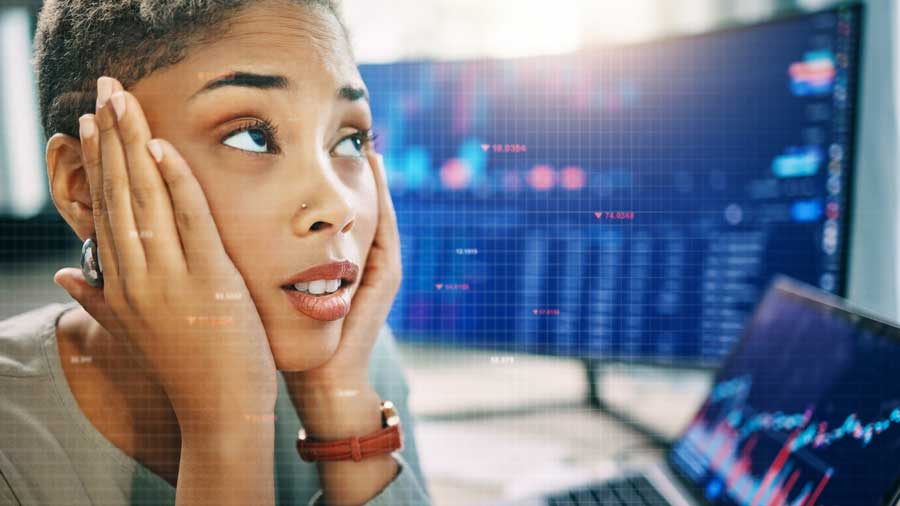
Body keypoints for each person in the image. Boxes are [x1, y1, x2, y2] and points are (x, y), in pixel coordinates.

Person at [0, 0, 431, 504]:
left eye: (351, 141)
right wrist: (226, 425)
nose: (338, 205)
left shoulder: (357, 357)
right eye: (252, 137)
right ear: (84, 187)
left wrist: (340, 404)